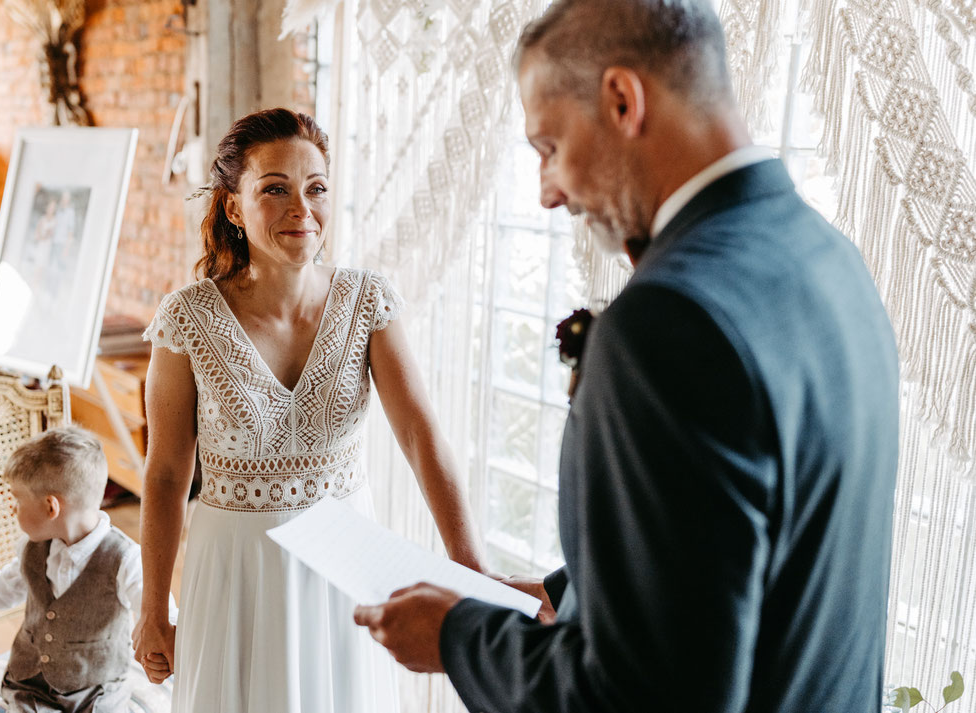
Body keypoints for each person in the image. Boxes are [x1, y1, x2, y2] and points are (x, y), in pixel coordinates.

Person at [353, 1, 900, 711]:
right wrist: (569, 593)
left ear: (621, 100)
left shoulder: (667, 323)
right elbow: (739, 541)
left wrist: (460, 634)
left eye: (547, 147)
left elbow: (641, 696)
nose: (549, 193)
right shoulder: (832, 259)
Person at [132, 107, 487, 713]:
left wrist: (472, 575)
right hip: (233, 572)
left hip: (345, 569)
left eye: (316, 188)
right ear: (234, 208)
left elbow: (423, 441)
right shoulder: (186, 320)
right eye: (275, 189)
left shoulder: (368, 302)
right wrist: (153, 608)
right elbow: (166, 474)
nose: (302, 208)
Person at [0, 426, 174, 712]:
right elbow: (0, 589)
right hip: (32, 686)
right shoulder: (31, 549)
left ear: (51, 507)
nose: (13, 510)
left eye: (17, 500)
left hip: (99, 689)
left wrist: (168, 642)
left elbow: (157, 609)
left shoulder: (124, 558)